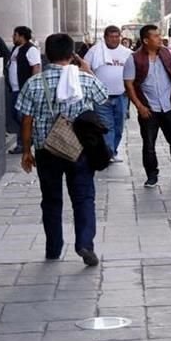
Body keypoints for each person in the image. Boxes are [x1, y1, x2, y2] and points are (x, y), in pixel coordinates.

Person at [15, 33, 108, 266]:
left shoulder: (34, 82)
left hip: (47, 150)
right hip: (80, 150)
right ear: (71, 54)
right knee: (84, 198)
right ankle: (85, 244)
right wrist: (87, 69)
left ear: (47, 55)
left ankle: (54, 248)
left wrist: (27, 151)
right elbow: (104, 96)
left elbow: (26, 120)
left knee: (51, 199)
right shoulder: (84, 79)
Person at [124, 24, 171, 188]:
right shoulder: (134, 59)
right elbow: (129, 85)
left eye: (159, 35)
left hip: (168, 106)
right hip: (149, 109)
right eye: (156, 36)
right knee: (149, 145)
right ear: (146, 40)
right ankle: (152, 176)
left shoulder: (168, 53)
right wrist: (139, 106)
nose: (160, 39)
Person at [85, 25, 133, 161]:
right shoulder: (95, 51)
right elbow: (85, 68)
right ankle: (108, 154)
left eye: (117, 36)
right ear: (105, 38)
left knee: (119, 127)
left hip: (121, 96)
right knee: (107, 126)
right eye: (111, 37)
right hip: (101, 97)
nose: (114, 39)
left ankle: (113, 150)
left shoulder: (127, 53)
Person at [7, 26, 42, 154]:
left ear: (21, 36)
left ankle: (24, 142)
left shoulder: (31, 49)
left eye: (15, 35)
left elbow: (36, 67)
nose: (13, 37)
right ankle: (28, 138)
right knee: (16, 115)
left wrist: (31, 86)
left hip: (23, 89)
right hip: (15, 89)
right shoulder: (16, 49)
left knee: (21, 116)